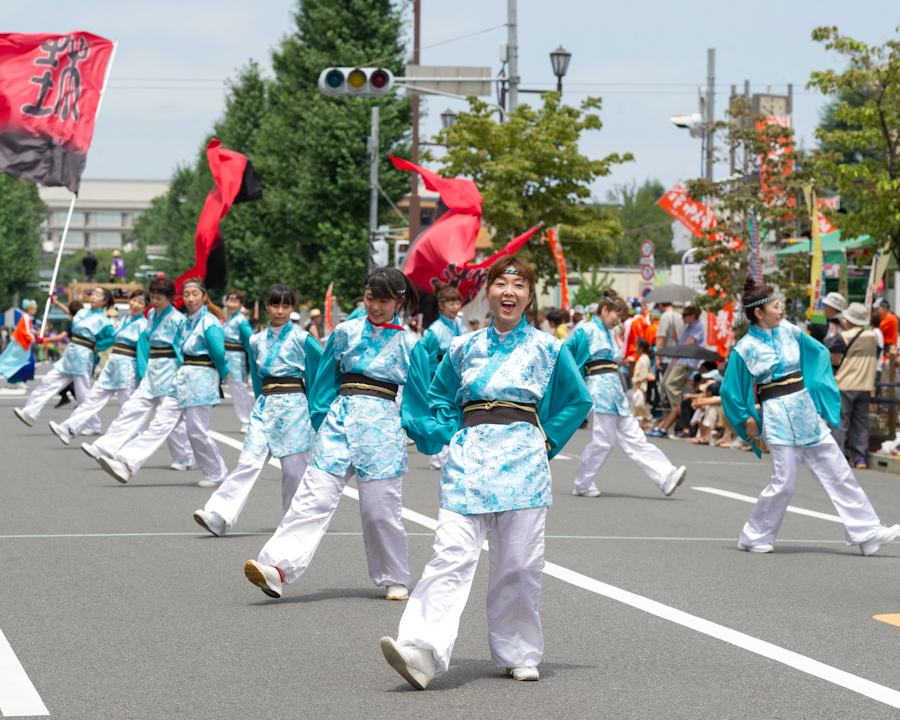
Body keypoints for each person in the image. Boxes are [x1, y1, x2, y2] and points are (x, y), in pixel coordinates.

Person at [379, 256, 591, 689]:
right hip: (469, 460)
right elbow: (438, 396)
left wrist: (546, 441)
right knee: (450, 555)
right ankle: (420, 650)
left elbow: (577, 400)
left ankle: (518, 652)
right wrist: (449, 431)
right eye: (500, 283)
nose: (508, 292)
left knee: (519, 563)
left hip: (524, 463)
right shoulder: (461, 347)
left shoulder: (550, 348)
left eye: (518, 285)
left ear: (530, 296)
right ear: (488, 292)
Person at [242, 267, 432, 602]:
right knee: (311, 498)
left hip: (381, 433)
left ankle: (394, 575)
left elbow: (419, 398)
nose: (375, 306)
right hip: (338, 425)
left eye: (384, 301)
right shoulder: (343, 332)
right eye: (371, 297)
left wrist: (430, 433)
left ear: (399, 301)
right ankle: (276, 568)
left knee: (379, 510)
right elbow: (323, 382)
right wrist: (320, 419)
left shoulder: (410, 344)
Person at [721, 276, 898, 555]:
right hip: (777, 416)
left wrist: (818, 389)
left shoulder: (790, 331)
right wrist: (747, 418)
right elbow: (730, 389)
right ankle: (754, 535)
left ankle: (867, 532)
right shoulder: (745, 348)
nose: (781, 311)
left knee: (839, 470)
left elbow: (819, 353)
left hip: (805, 411)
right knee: (784, 483)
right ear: (759, 312)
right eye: (776, 306)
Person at [193, 285, 323, 537]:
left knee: (294, 470)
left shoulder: (303, 338)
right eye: (275, 305)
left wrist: (316, 408)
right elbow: (255, 375)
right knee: (248, 461)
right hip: (264, 406)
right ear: (267, 306)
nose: (280, 310)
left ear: (292, 308)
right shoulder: (255, 340)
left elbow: (321, 371)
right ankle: (220, 515)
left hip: (295, 408)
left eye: (286, 305)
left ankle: (294, 523)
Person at [95, 278, 229, 487]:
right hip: (181, 378)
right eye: (187, 294)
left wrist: (224, 373)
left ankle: (217, 473)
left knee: (196, 432)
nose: (190, 298)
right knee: (159, 424)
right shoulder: (186, 322)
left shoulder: (209, 321)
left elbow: (219, 353)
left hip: (201, 379)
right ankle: (127, 463)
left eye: (195, 294)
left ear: (204, 296)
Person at [564, 289, 686, 498]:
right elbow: (564, 351)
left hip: (615, 391)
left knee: (635, 436)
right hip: (598, 390)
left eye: (622, 317)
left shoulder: (610, 333)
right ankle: (582, 483)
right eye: (617, 316)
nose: (618, 321)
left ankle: (666, 476)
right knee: (603, 441)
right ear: (604, 309)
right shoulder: (586, 330)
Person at [82, 278, 195, 471]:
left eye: (159, 298)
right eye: (153, 297)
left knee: (168, 420)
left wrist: (185, 375)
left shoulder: (178, 319)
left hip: (170, 370)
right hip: (153, 369)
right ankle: (105, 446)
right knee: (130, 409)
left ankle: (184, 457)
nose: (155, 301)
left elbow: (183, 348)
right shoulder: (150, 314)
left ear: (170, 298)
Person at [49, 291, 150, 444]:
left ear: (146, 307)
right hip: (112, 364)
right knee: (92, 398)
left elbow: (143, 351)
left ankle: (137, 442)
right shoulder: (124, 320)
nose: (135, 305)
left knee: (127, 407)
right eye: (134, 300)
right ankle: (69, 428)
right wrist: (96, 347)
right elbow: (110, 340)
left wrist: (144, 375)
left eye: (140, 303)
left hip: (128, 366)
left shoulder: (143, 325)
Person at [14, 288, 115, 429]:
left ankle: (93, 425)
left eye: (98, 296)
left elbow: (111, 338)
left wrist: (97, 346)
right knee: (48, 381)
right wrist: (54, 301)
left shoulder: (103, 321)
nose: (93, 297)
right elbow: (68, 312)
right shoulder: (81, 312)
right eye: (92, 294)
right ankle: (30, 412)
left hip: (83, 354)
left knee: (82, 393)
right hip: (70, 352)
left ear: (104, 301)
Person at [824, 302, 878, 469]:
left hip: (846, 384)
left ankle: (838, 458)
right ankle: (860, 458)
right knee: (861, 422)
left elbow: (827, 345)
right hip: (865, 385)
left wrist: (835, 331)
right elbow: (858, 338)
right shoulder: (872, 336)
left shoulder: (845, 336)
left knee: (840, 421)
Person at [419, 282, 464, 470]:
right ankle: (438, 457)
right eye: (450, 303)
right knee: (443, 416)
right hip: (440, 380)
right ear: (441, 305)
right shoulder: (435, 330)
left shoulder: (459, 324)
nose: (455, 307)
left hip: (458, 378)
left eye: (457, 303)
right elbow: (421, 352)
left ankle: (452, 455)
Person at [649, 306, 703, 437]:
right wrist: (676, 338)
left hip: (685, 361)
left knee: (670, 385)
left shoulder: (697, 326)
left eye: (685, 315)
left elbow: (686, 347)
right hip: (678, 360)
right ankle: (670, 417)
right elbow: (682, 345)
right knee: (664, 386)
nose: (683, 317)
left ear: (693, 315)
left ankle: (676, 412)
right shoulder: (689, 327)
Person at [223, 290, 254, 433]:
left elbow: (251, 338)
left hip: (236, 357)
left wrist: (251, 356)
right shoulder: (230, 319)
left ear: (241, 304)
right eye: (229, 300)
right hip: (228, 357)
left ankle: (247, 421)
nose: (231, 304)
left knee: (239, 389)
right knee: (236, 389)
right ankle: (246, 420)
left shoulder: (240, 320)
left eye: (235, 301)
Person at [0, 299, 38, 384]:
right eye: (34, 308)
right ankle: (18, 380)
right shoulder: (26, 317)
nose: (35, 310)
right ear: (29, 308)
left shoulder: (27, 317)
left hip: (22, 343)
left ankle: (14, 380)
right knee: (25, 362)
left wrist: (34, 333)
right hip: (20, 343)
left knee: (22, 362)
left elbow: (28, 330)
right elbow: (24, 331)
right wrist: (31, 337)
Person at [631, 336, 652, 428]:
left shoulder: (643, 359)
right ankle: (644, 422)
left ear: (641, 348)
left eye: (636, 347)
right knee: (643, 403)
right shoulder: (644, 357)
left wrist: (638, 384)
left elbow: (642, 374)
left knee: (640, 403)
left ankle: (643, 422)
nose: (635, 349)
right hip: (643, 384)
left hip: (641, 385)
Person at [875, 298, 898, 364]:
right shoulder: (892, 317)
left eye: (877, 309)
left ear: (884, 308)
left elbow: (875, 329)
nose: (876, 312)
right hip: (888, 355)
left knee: (890, 373)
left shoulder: (890, 319)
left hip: (887, 357)